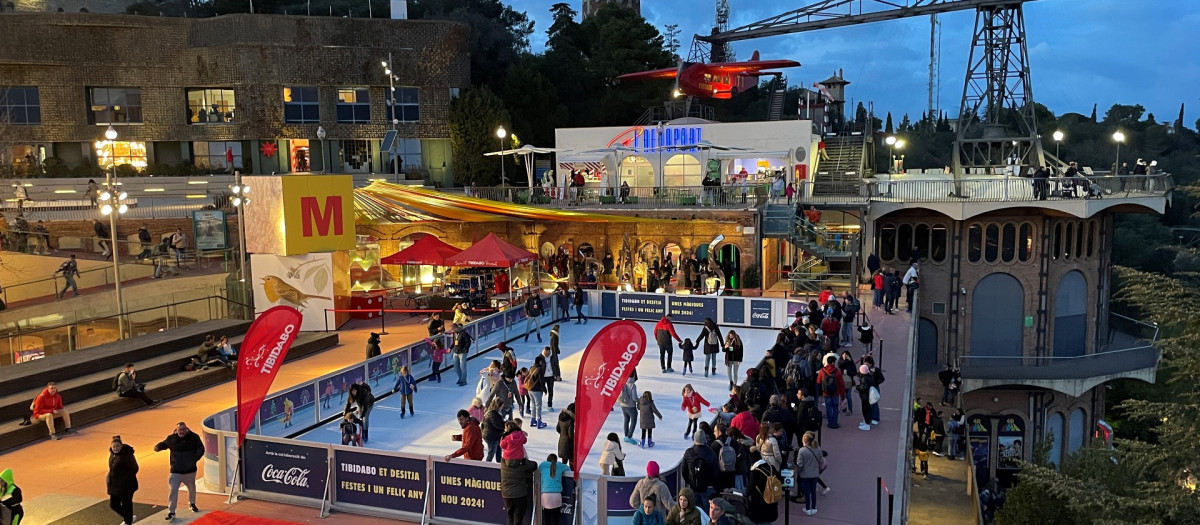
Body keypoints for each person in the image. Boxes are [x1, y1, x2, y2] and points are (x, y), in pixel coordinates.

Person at [154, 422, 204, 520]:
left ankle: (192, 503)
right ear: (176, 430)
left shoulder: (194, 438)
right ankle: (171, 511)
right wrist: (158, 447)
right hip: (175, 471)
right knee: (173, 491)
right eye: (180, 430)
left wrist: (194, 459)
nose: (181, 431)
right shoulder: (171, 439)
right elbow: (164, 444)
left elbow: (201, 449)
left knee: (192, 489)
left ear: (186, 429)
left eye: (183, 429)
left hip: (189, 470)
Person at [107, 435, 140, 525]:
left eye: (117, 446)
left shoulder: (127, 455)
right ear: (111, 447)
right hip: (115, 485)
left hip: (127, 485)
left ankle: (128, 521)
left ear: (121, 446)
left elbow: (135, 468)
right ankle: (128, 517)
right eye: (114, 446)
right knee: (114, 505)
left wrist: (124, 479)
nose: (115, 448)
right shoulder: (112, 455)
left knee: (127, 504)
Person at [682, 432, 718, 509]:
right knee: (707, 512)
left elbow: (684, 471)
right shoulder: (711, 453)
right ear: (704, 439)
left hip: (693, 488)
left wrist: (691, 481)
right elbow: (715, 472)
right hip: (708, 488)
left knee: (694, 512)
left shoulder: (689, 452)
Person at [500, 457, 539, 525]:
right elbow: (534, 465)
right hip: (519, 494)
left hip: (507, 494)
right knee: (518, 518)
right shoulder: (522, 463)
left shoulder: (503, 462)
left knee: (510, 516)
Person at [795, 431, 825, 516]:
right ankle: (814, 507)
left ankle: (808, 508)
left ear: (804, 440)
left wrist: (798, 472)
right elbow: (821, 460)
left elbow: (799, 464)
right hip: (815, 473)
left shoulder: (802, 450)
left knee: (807, 492)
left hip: (805, 474)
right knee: (813, 491)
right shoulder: (818, 448)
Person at [539, 454, 573, 525]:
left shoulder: (543, 466)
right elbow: (568, 468)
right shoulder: (560, 466)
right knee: (555, 519)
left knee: (547, 518)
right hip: (556, 495)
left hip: (545, 495)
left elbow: (538, 468)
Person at [747, 454, 781, 524]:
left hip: (759, 502)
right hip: (772, 501)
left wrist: (745, 494)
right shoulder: (771, 467)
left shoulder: (755, 472)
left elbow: (750, 488)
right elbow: (781, 480)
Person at [816, 356, 845, 429]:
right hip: (836, 392)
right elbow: (841, 384)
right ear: (833, 362)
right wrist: (842, 394)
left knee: (828, 407)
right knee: (835, 407)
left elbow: (818, 382)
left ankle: (830, 422)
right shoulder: (837, 371)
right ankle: (834, 423)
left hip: (826, 392)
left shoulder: (822, 371)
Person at [619, 370, 640, 445]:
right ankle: (629, 436)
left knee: (626, 419)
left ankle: (626, 435)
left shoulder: (623, 382)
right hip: (630, 406)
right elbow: (634, 397)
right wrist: (639, 401)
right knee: (633, 421)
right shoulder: (632, 385)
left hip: (622, 404)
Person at [527, 355, 548, 429]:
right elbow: (541, 380)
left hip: (530, 389)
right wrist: (544, 389)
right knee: (538, 406)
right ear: (540, 361)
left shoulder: (531, 368)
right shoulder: (539, 369)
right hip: (537, 390)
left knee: (533, 404)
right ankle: (539, 421)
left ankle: (533, 420)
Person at [556, 403, 576, 470]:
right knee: (571, 461)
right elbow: (570, 434)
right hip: (569, 443)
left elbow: (557, 428)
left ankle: (563, 475)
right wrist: (574, 439)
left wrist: (563, 434)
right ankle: (572, 476)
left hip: (561, 441)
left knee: (564, 461)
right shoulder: (570, 420)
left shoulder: (561, 416)